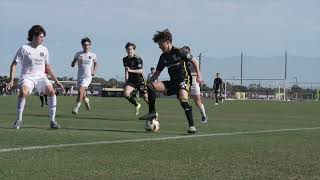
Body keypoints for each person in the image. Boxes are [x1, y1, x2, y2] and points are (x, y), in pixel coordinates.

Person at [140, 29, 202, 134]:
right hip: (172, 82)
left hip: (184, 80)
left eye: (161, 44)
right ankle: (152, 112)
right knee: (151, 87)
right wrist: (147, 84)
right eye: (158, 44)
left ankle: (192, 126)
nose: (159, 46)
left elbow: (194, 61)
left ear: (168, 42)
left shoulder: (180, 51)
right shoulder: (163, 57)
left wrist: (199, 76)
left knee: (183, 101)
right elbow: (157, 73)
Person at [6, 25, 64, 129]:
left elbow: (47, 67)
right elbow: (14, 64)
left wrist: (56, 81)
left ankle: (52, 121)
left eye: (43, 37)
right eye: (41, 37)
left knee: (51, 91)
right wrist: (11, 80)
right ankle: (18, 120)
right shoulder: (24, 48)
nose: (42, 39)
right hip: (27, 77)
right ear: (34, 36)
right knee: (23, 92)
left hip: (41, 77)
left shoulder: (45, 50)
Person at [71, 37, 98, 115]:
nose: (86, 46)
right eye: (85, 45)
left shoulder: (93, 55)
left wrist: (94, 71)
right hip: (79, 76)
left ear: (90, 46)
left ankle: (76, 108)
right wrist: (74, 61)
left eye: (88, 45)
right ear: (82, 46)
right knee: (82, 92)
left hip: (88, 76)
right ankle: (86, 99)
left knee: (80, 90)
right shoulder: (78, 54)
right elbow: (72, 65)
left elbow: (96, 63)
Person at [182, 46, 208, 123]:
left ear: (189, 52)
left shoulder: (193, 60)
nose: (183, 53)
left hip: (193, 82)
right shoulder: (181, 60)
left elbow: (197, 71)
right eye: (183, 51)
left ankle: (204, 115)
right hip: (184, 82)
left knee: (197, 101)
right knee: (183, 100)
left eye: (185, 51)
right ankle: (189, 117)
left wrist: (198, 77)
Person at [123, 42, 148, 115]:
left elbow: (141, 71)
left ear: (134, 50)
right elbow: (126, 69)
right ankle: (137, 104)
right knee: (126, 93)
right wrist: (126, 79)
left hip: (140, 80)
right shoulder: (125, 59)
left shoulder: (138, 59)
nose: (129, 51)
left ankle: (153, 111)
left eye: (131, 49)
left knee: (146, 98)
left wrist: (130, 70)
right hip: (131, 80)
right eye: (128, 49)